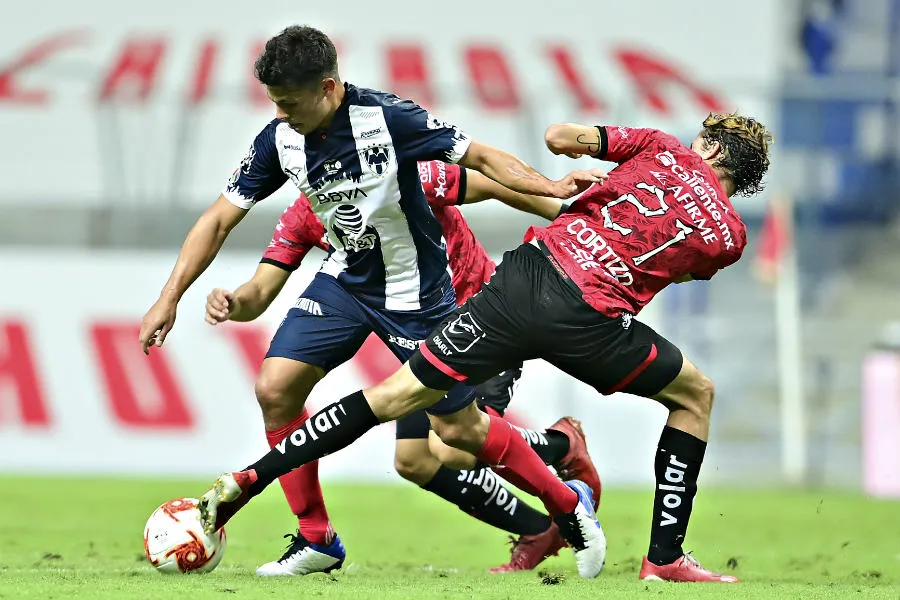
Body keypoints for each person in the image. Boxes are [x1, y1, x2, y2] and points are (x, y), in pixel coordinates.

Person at [197, 112, 773, 583]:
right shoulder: (729, 238)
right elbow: (669, 261)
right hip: (571, 313)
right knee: (419, 457)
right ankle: (602, 520)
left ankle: (557, 474)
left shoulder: (405, 177)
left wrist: (568, 188)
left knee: (435, 431)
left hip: (493, 296)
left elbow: (526, 161)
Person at [137, 24, 607, 577]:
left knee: (456, 438)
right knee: (276, 389)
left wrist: (551, 191)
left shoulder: (389, 122)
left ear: (329, 88)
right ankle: (316, 539)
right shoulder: (280, 145)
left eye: (291, 104)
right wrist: (177, 299)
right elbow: (219, 222)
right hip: (346, 284)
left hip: (419, 294)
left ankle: (565, 498)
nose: (282, 115)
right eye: (275, 104)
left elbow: (480, 163)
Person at [205, 160, 602, 574]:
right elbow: (261, 289)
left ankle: (560, 445)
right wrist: (236, 303)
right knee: (415, 459)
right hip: (415, 325)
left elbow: (488, 182)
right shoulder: (306, 212)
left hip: (479, 311)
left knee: (453, 446)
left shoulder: (399, 173)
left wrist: (563, 214)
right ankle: (539, 528)